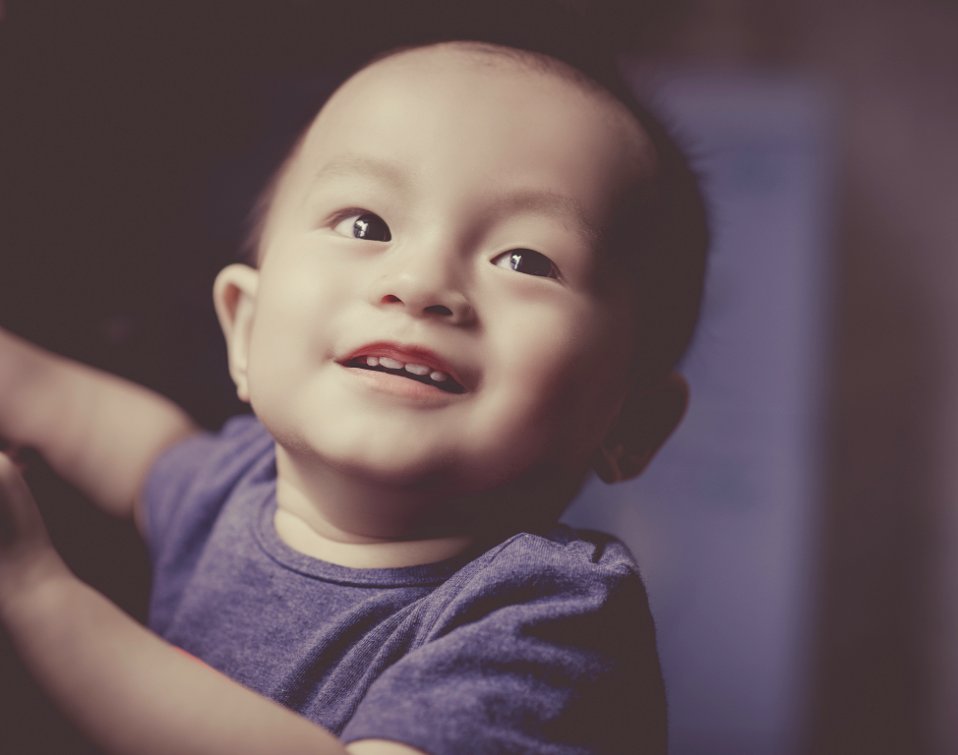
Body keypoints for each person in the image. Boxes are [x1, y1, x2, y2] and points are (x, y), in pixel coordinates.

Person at [0, 28, 708, 755]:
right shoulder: (232, 488)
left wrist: (36, 593)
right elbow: (82, 415)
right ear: (244, 330)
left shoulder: (546, 612)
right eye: (365, 223)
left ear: (631, 421)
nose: (421, 282)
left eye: (525, 258)